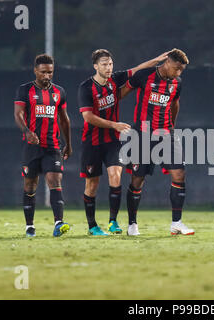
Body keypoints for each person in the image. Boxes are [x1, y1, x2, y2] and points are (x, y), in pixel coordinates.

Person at [78, 49, 171, 236]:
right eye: (104, 64)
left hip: (112, 141)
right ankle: (92, 226)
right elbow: (88, 117)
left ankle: (113, 222)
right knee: (92, 185)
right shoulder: (86, 87)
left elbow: (137, 69)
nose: (108, 67)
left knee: (116, 175)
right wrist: (114, 124)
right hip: (92, 142)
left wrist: (157, 60)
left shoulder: (115, 79)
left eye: (110, 63)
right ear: (95, 66)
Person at [119, 48, 195, 236]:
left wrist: (172, 127)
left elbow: (175, 103)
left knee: (179, 173)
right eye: (176, 68)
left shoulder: (177, 83)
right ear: (167, 62)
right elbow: (121, 94)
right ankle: (132, 224)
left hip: (166, 134)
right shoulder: (144, 76)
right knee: (137, 180)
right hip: (142, 135)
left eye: (181, 70)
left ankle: (176, 223)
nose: (178, 73)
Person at [14, 54, 72, 238]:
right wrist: (27, 132)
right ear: (35, 71)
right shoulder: (25, 90)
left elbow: (64, 120)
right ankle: (29, 226)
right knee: (30, 185)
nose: (47, 76)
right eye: (43, 72)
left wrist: (68, 144)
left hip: (52, 146)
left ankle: (58, 223)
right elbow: (18, 114)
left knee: (55, 180)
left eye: (50, 72)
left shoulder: (59, 92)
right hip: (32, 147)